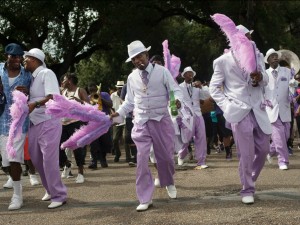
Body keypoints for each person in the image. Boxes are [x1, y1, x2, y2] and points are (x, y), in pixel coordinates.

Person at [110, 40, 183, 211]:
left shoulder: (162, 72)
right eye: (134, 59)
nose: (137, 61)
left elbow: (175, 90)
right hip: (141, 122)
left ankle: (168, 181)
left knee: (165, 157)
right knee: (142, 160)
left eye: (140, 56)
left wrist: (177, 100)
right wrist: (119, 113)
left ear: (147, 56)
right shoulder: (131, 77)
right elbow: (129, 102)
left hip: (161, 119)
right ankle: (145, 197)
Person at [209, 25, 272, 204]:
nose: (249, 40)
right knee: (246, 153)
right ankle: (247, 189)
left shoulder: (258, 56)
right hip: (238, 110)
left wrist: (260, 77)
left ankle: (249, 178)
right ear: (236, 39)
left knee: (264, 150)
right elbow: (214, 88)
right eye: (245, 37)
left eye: (250, 37)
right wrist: (227, 106)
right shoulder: (222, 61)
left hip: (258, 110)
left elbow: (265, 80)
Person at [24, 48, 67, 209]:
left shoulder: (46, 73)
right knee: (35, 159)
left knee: (49, 160)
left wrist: (35, 103)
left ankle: (59, 195)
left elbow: (53, 96)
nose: (24, 60)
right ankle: (49, 189)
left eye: (26, 58)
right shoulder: (31, 77)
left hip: (49, 120)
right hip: (34, 122)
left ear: (35, 59)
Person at [0, 43, 31, 210]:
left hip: (19, 123)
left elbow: (34, 95)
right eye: (14, 57)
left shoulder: (27, 75)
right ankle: (12, 177)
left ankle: (17, 196)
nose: (17, 60)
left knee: (14, 160)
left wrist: (27, 92)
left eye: (20, 57)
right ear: (7, 56)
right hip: (1, 121)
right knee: (5, 162)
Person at [264, 48, 293, 170]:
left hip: (285, 109)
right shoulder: (264, 74)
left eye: (276, 56)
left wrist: (292, 87)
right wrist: (263, 101)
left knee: (285, 136)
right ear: (268, 60)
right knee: (279, 137)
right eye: (272, 56)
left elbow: (291, 87)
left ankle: (270, 152)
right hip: (271, 110)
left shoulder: (287, 71)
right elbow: (260, 91)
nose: (275, 57)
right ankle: (283, 161)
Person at [60, 72, 89, 183]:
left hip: (77, 122)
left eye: (64, 79)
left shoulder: (80, 91)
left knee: (77, 148)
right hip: (63, 123)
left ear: (70, 80)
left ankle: (80, 173)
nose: (62, 81)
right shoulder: (63, 92)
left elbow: (88, 104)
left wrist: (79, 101)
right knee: (59, 146)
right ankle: (66, 163)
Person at [178, 66, 209, 169]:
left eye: (191, 73)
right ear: (184, 75)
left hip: (198, 114)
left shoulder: (197, 86)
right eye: (188, 73)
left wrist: (202, 87)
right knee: (187, 137)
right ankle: (181, 154)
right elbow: (177, 100)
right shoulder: (180, 87)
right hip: (187, 115)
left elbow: (205, 96)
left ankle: (201, 161)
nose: (190, 75)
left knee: (201, 137)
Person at [87, 83, 113, 169]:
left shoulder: (104, 94)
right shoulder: (88, 98)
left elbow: (110, 105)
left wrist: (101, 99)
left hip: (104, 122)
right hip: (93, 123)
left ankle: (103, 159)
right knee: (94, 143)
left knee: (105, 142)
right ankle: (94, 161)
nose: (93, 92)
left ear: (97, 89)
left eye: (94, 90)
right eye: (91, 91)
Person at [110, 81, 124, 162]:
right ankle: (117, 153)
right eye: (119, 88)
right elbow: (110, 105)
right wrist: (112, 113)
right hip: (116, 118)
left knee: (127, 137)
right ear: (117, 88)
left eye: (121, 88)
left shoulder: (126, 94)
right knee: (115, 139)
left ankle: (130, 157)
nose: (120, 89)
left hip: (125, 118)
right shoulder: (113, 95)